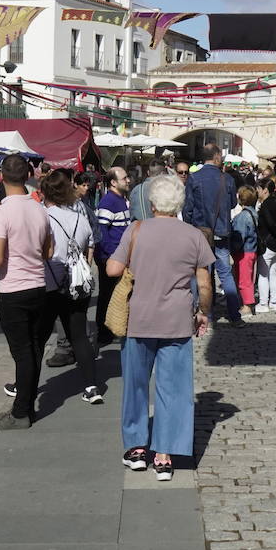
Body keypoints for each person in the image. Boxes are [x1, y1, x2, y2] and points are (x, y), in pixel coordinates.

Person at [109, 174, 213, 481]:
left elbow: (113, 268)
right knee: (174, 389)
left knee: (135, 386)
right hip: (177, 320)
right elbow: (204, 284)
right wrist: (203, 312)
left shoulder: (136, 229)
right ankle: (165, 454)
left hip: (139, 318)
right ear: (179, 203)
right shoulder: (193, 235)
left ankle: (137, 447)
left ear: (152, 204)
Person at [0, 154, 55, 430]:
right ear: (28, 175)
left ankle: (20, 412)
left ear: (1, 177)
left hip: (13, 289)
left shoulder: (1, 212)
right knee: (34, 349)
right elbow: (49, 252)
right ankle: (25, 406)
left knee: (23, 352)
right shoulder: (40, 209)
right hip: (38, 286)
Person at [40, 169, 102, 404]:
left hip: (51, 283)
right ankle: (92, 387)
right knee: (79, 336)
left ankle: (23, 385)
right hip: (78, 283)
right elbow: (89, 245)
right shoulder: (81, 217)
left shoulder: (45, 216)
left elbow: (43, 251)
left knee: (40, 336)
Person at [184, 143, 244, 325]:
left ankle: (202, 315)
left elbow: (187, 209)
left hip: (200, 233)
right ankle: (235, 315)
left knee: (199, 274)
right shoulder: (227, 179)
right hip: (221, 232)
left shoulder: (194, 178)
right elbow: (234, 203)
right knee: (225, 274)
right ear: (217, 157)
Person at [93, 166, 133, 343]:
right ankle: (103, 331)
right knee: (107, 295)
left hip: (119, 256)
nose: (128, 180)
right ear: (113, 182)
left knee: (116, 293)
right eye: (125, 178)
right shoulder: (108, 202)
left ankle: (113, 327)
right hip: (110, 258)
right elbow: (101, 232)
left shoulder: (121, 199)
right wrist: (111, 255)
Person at [255, 180, 276, 313]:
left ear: (265, 190)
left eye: (258, 189)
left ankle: (263, 303)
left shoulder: (266, 205)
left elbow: (270, 224)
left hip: (267, 243)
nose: (257, 191)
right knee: (273, 273)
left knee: (263, 274)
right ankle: (274, 302)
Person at [230, 185, 260, 317]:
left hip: (244, 252)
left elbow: (239, 237)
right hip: (252, 250)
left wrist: (232, 249)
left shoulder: (242, 216)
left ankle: (247, 306)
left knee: (244, 280)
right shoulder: (253, 213)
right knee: (248, 278)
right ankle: (245, 303)